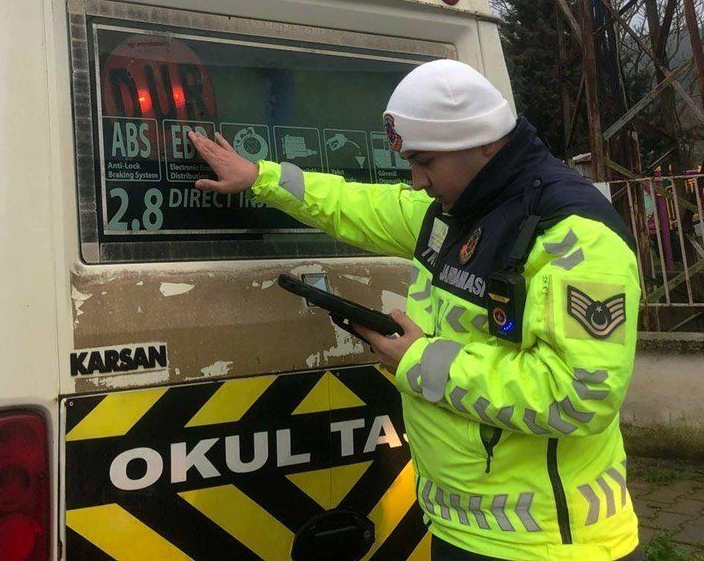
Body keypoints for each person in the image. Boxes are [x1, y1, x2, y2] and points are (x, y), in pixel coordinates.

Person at [188, 59, 641, 561]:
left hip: (548, 544)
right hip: (462, 528)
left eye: (425, 162)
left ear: (483, 142)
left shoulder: (576, 238)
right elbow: (354, 204)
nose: (418, 180)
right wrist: (259, 176)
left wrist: (419, 360)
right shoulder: (455, 213)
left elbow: (579, 395)